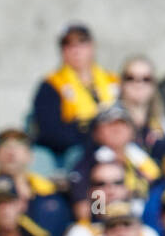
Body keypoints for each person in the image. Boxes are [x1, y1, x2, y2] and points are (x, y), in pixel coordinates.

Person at [31, 23, 118, 156]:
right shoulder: (51, 84)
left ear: (92, 46)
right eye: (68, 44)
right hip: (75, 151)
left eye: (82, 42)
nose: (75, 49)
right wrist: (90, 131)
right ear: (62, 50)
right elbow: (50, 132)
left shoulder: (113, 80)